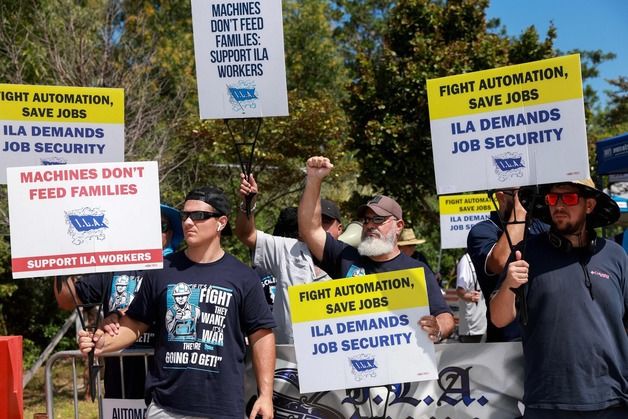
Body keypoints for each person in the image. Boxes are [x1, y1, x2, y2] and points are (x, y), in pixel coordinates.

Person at [79, 186, 276, 419]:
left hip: (222, 407)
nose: (189, 222)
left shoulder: (243, 276)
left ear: (221, 222)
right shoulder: (162, 270)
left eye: (199, 216)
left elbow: (261, 335)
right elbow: (133, 325)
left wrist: (265, 395)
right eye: (185, 216)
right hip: (166, 407)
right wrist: (98, 343)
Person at [491, 179, 627, 418]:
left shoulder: (616, 256)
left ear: (589, 205)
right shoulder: (526, 253)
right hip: (548, 401)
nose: (559, 205)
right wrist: (509, 284)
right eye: (553, 199)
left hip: (613, 399)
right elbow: (499, 319)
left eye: (570, 198)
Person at [298, 156, 454, 342]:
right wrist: (314, 179)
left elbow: (445, 316)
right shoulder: (345, 257)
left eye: (378, 219)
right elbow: (310, 229)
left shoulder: (417, 271)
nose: (370, 225)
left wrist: (437, 328)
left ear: (399, 226)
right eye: (366, 220)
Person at [54, 204, 184, 399]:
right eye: (145, 224)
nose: (152, 231)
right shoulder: (115, 266)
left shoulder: (180, 268)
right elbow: (67, 299)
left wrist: (128, 316)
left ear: (170, 233)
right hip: (119, 388)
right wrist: (56, 261)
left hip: (165, 389)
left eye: (161, 226)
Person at [235, 172, 343, 343]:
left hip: (334, 357)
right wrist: (248, 203)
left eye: (326, 222)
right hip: (287, 361)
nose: (319, 228)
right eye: (313, 222)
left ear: (340, 229)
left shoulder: (352, 259)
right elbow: (245, 234)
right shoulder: (286, 249)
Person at [466, 188, 547, 342]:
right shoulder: (483, 230)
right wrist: (520, 210)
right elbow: (501, 262)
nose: (529, 199)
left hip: (543, 336)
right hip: (506, 340)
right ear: (501, 196)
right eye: (520, 192)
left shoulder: (540, 226)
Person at [455, 253, 486, 342]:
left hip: (485, 322)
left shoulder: (484, 257)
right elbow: (460, 290)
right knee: (473, 354)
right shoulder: (466, 261)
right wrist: (468, 296)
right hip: (473, 327)